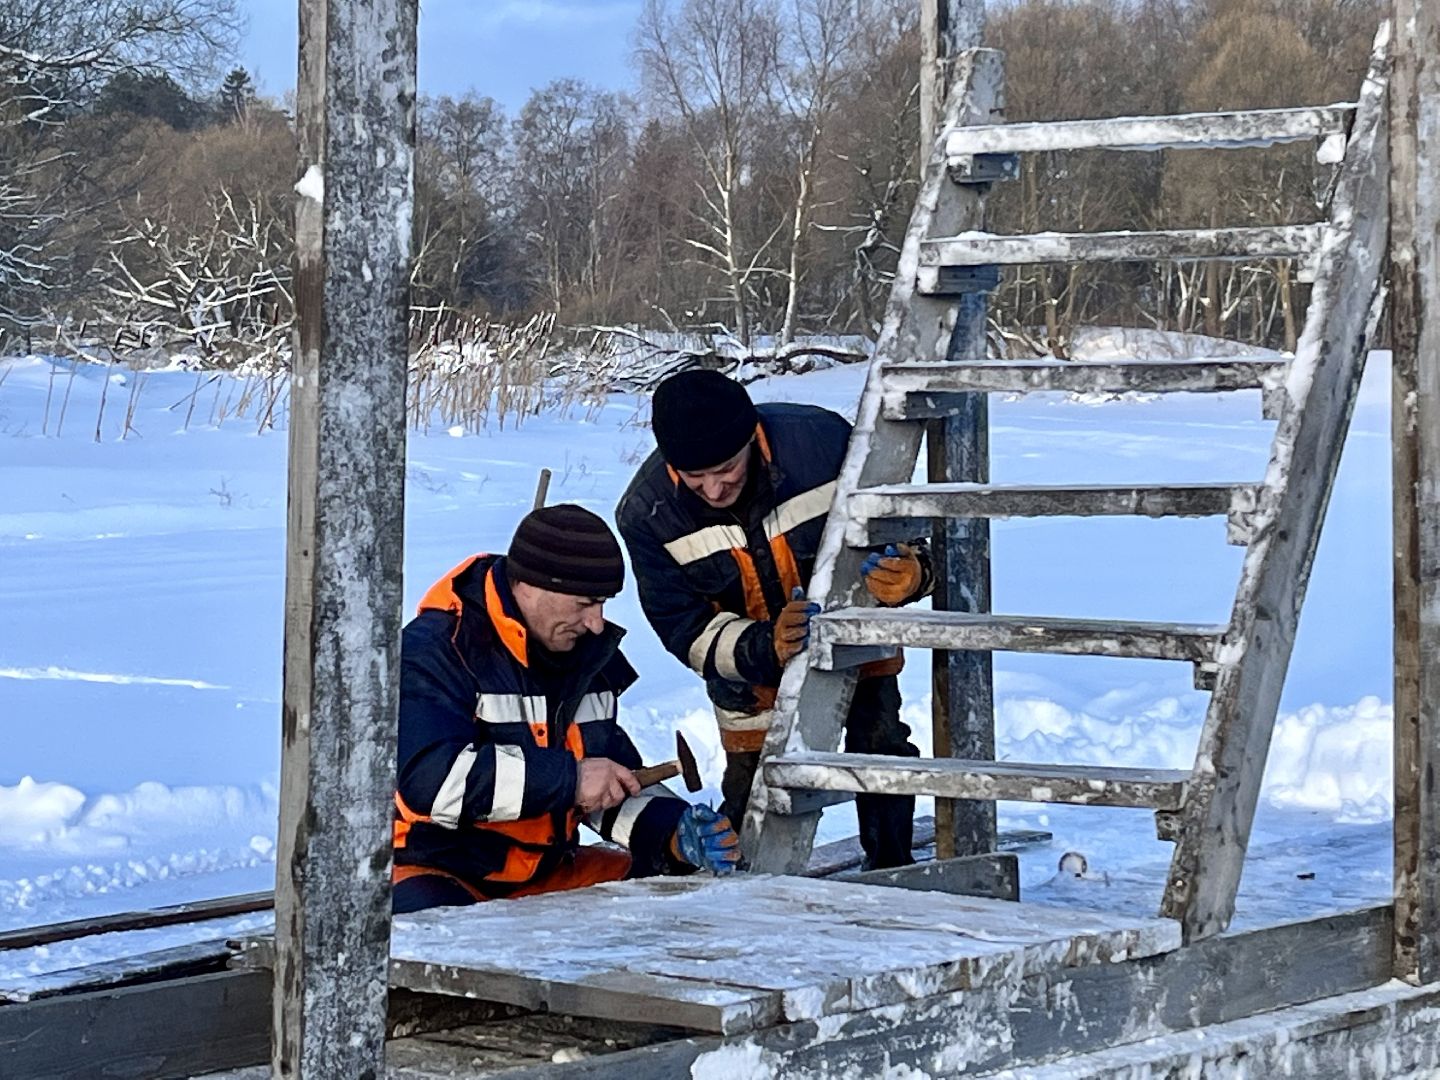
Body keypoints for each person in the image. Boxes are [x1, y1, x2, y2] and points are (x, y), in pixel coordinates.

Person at [616, 370, 933, 871]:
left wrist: (914, 571)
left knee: (881, 749)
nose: (714, 488)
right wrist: (765, 646)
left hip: (853, 642)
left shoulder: (824, 444)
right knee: (750, 790)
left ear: (752, 437)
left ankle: (892, 866)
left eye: (726, 469)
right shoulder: (646, 513)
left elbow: (901, 521)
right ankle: (747, 899)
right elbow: (682, 627)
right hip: (746, 679)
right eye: (694, 478)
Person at [392, 503, 740, 913]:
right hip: (437, 871)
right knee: (440, 944)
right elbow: (429, 782)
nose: (596, 623)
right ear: (533, 587)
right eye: (585, 603)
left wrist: (672, 834)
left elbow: (608, 778)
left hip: (546, 871)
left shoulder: (584, 654)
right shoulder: (436, 650)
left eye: (603, 604)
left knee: (675, 906)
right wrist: (570, 780)